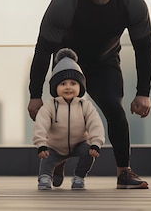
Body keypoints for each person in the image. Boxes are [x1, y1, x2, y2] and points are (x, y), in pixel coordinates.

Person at [27, 0, 151, 189]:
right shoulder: (65, 3)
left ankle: (124, 173)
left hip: (104, 63)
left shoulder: (131, 4)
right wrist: (35, 95)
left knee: (115, 111)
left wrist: (143, 92)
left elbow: (144, 48)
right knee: (63, 115)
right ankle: (59, 161)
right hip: (68, 62)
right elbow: (43, 50)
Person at [33, 48, 105, 190]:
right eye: (63, 84)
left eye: (73, 83)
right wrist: (41, 144)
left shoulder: (85, 106)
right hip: (55, 146)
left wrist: (96, 143)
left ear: (80, 87)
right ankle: (45, 177)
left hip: (79, 144)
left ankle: (79, 177)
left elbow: (95, 124)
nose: (68, 87)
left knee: (89, 153)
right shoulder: (50, 106)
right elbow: (41, 124)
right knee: (46, 158)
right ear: (55, 87)